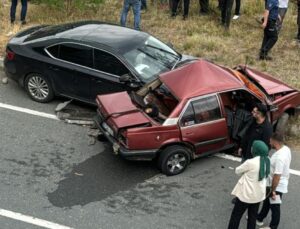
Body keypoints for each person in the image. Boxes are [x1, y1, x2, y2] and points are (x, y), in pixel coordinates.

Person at [227, 140, 270, 229]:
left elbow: (237, 170)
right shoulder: (267, 160)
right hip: (258, 195)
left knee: (236, 216)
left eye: (253, 147)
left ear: (256, 150)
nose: (251, 148)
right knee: (252, 217)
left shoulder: (250, 162)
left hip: (246, 195)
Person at [256, 132, 291, 229]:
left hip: (277, 185)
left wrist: (273, 190)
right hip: (274, 183)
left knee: (275, 207)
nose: (269, 142)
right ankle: (260, 218)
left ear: (275, 141)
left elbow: (277, 176)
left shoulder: (280, 157)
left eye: (270, 141)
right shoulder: (286, 149)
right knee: (267, 201)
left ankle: (273, 226)